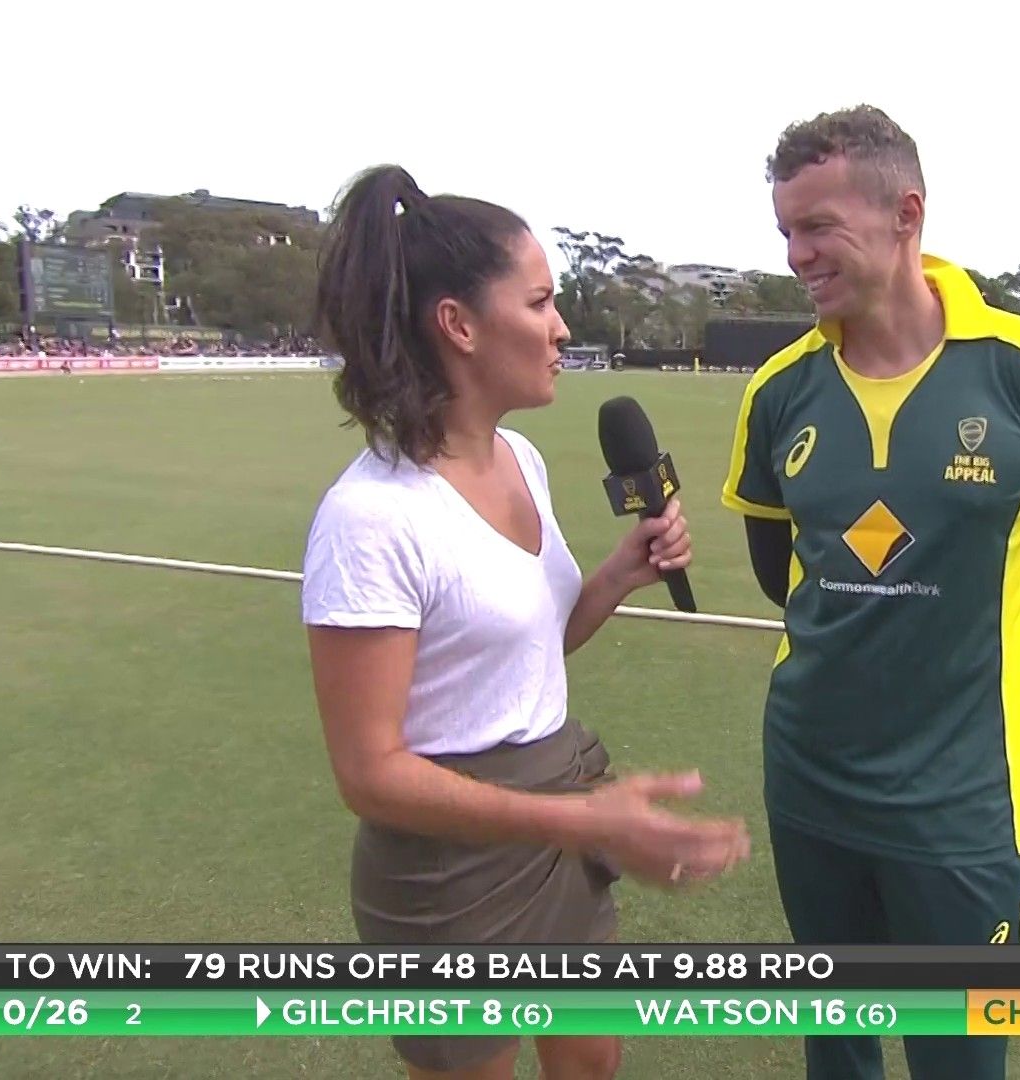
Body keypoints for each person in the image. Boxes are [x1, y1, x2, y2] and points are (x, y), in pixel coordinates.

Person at [304, 164, 750, 1080]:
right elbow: (369, 774)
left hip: (557, 823)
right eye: (541, 302)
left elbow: (526, 651)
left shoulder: (521, 458)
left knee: (591, 1064)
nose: (562, 327)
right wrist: (580, 820)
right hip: (450, 871)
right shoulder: (372, 518)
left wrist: (615, 577)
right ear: (459, 325)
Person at [722, 106, 1020, 1080]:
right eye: (785, 232)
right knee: (838, 1047)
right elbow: (781, 577)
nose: (797, 255)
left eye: (819, 227)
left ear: (906, 214)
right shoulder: (778, 391)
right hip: (809, 780)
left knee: (960, 1062)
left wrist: (965, 653)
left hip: (960, 801)